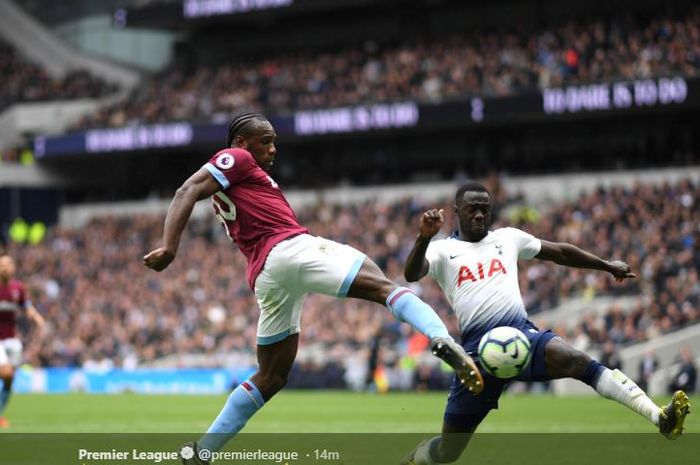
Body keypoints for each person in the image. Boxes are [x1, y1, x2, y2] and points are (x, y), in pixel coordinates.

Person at [142, 113, 483, 464]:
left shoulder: (241, 180)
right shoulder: (238, 159)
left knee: (271, 376)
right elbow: (188, 189)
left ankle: (201, 453)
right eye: (266, 140)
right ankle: (442, 338)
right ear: (242, 143)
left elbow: (201, 192)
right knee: (384, 287)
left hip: (267, 275)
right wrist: (170, 246)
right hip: (290, 249)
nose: (273, 149)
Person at [400, 182, 691, 465]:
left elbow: (560, 252)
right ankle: (421, 456)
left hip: (521, 336)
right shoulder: (441, 251)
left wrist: (606, 265)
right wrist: (423, 237)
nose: (479, 214)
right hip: (475, 356)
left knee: (576, 360)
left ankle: (659, 416)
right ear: (456, 211)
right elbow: (412, 274)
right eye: (472, 209)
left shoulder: (507, 238)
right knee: (448, 453)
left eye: (485, 209)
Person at [0, 254, 45, 428]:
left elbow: (26, 307)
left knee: (10, 379)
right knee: (6, 373)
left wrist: (37, 318)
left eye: (8, 265)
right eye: (1, 265)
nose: (4, 268)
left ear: (13, 268)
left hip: (11, 340)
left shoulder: (18, 288)